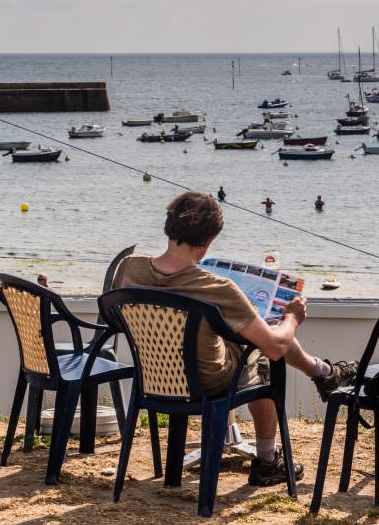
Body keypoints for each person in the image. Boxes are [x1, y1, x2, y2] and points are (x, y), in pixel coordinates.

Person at [112, 191, 357, 486]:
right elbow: (276, 347)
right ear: (208, 240)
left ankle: (324, 373)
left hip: (153, 376)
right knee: (266, 350)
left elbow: (116, 317)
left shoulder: (129, 268)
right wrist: (292, 317)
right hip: (208, 381)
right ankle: (268, 460)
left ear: (169, 226)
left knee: (245, 338)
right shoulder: (217, 287)